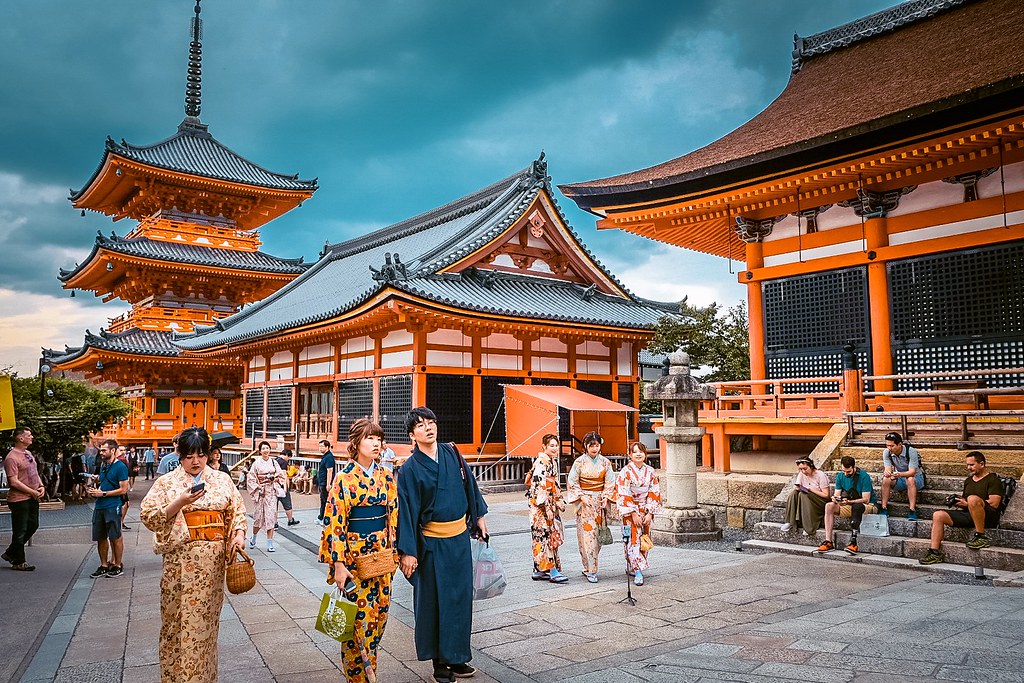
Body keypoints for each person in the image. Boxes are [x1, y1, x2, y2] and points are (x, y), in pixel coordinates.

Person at [140, 426, 247, 683]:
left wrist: (239, 536)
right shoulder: (167, 483)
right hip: (180, 564)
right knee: (175, 624)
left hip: (211, 567)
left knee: (205, 627)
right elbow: (148, 515)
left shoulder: (221, 480)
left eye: (200, 455)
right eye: (189, 456)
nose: (196, 461)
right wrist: (180, 502)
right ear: (180, 454)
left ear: (208, 454)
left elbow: (237, 513)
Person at [397, 406, 488, 683]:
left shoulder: (452, 454)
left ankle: (457, 657)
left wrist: (479, 517)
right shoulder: (410, 469)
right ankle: (440, 662)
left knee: (459, 601)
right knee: (434, 603)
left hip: (458, 539)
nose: (428, 427)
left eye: (432, 422)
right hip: (432, 545)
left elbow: (470, 486)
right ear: (412, 435)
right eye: (421, 424)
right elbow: (408, 512)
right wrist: (408, 552)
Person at [320, 419, 399, 682]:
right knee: (355, 623)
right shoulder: (343, 479)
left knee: (379, 619)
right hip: (354, 560)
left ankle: (372, 670)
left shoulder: (386, 476)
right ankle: (358, 678)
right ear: (355, 444)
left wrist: (396, 553)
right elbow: (334, 522)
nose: (376, 443)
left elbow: (394, 516)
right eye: (370, 438)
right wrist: (339, 564)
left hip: (382, 558)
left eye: (379, 438)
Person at [920, 451, 1005, 565]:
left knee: (973, 499)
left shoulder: (993, 480)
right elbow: (967, 500)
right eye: (967, 465)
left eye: (972, 465)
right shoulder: (968, 481)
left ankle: (981, 536)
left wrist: (970, 502)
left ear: (982, 464)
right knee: (938, 515)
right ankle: (935, 552)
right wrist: (958, 502)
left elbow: (994, 503)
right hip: (969, 514)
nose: (969, 468)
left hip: (987, 516)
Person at [566, 431, 616, 583]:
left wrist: (606, 496)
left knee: (597, 537)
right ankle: (591, 569)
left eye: (597, 445)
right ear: (585, 447)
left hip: (600, 501)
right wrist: (581, 496)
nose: (594, 448)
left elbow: (610, 482)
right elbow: (572, 482)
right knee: (586, 536)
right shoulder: (579, 462)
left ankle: (589, 566)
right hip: (585, 502)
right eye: (591, 445)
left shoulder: (605, 463)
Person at [616, 441, 663, 586]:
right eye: (635, 452)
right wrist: (633, 513)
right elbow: (623, 493)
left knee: (644, 538)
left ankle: (635, 566)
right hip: (630, 511)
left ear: (645, 454)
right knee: (632, 540)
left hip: (645, 508)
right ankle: (637, 570)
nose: (638, 454)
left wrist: (649, 513)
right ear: (630, 455)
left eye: (641, 451)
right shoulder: (625, 472)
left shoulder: (650, 471)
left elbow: (654, 492)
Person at [527, 434, 568, 584]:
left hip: (548, 503)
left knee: (543, 536)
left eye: (556, 445)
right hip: (540, 506)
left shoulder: (551, 462)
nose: (555, 448)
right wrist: (546, 508)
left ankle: (539, 570)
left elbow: (554, 485)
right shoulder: (541, 463)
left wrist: (558, 501)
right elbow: (540, 487)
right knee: (546, 536)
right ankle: (552, 571)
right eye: (551, 445)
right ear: (544, 446)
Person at [3, 427, 44, 571]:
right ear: (21, 438)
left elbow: (34, 471)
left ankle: (10, 552)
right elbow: (13, 482)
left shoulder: (28, 454)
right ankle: (18, 560)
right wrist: (31, 491)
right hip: (19, 499)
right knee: (20, 529)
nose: (31, 437)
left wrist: (41, 486)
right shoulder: (12, 457)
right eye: (29, 435)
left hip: (32, 496)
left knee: (33, 525)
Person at [818, 456, 878, 555]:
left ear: (853, 467)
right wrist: (835, 499)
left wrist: (849, 502)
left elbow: (866, 499)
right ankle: (828, 541)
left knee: (857, 506)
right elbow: (837, 494)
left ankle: (853, 543)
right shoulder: (840, 476)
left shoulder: (864, 476)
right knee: (829, 506)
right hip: (849, 504)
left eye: (848, 472)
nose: (846, 474)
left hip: (868, 505)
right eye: (844, 471)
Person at [87, 439, 130, 577]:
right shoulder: (104, 465)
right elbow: (105, 479)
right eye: (100, 450)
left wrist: (103, 493)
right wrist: (97, 479)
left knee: (115, 536)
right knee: (100, 537)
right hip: (100, 506)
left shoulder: (121, 467)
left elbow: (123, 490)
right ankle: (104, 565)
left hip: (112, 505)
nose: (101, 452)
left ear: (112, 451)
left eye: (104, 450)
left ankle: (117, 564)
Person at [247, 441, 285, 552]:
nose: (265, 450)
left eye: (267, 448)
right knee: (258, 518)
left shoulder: (274, 462)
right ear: (260, 451)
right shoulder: (256, 463)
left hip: (271, 492)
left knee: (271, 516)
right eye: (263, 448)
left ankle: (270, 543)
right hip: (261, 492)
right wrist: (258, 487)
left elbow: (281, 475)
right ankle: (253, 537)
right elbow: (251, 478)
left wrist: (275, 478)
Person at [780, 457, 831, 536]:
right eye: (801, 469)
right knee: (793, 493)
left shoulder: (820, 475)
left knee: (803, 494)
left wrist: (811, 490)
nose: (803, 471)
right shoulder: (801, 474)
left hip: (820, 501)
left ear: (811, 466)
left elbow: (826, 495)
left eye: (805, 468)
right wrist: (798, 488)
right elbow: (797, 487)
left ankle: (808, 527)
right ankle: (790, 521)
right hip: (806, 498)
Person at [880, 432, 925, 520]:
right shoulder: (886, 452)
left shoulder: (911, 451)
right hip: (900, 478)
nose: (889, 448)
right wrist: (888, 473)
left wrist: (899, 474)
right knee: (886, 479)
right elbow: (888, 468)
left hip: (916, 479)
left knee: (910, 479)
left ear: (900, 444)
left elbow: (912, 472)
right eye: (887, 445)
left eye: (892, 446)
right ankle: (884, 507)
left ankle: (912, 510)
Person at [275, 449, 299, 527]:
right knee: (287, 504)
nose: (288, 460)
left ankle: (275, 522)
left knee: (274, 505)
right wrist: (286, 487)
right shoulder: (283, 462)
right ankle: (290, 520)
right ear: (287, 455)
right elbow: (284, 475)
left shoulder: (274, 460)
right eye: (289, 458)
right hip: (281, 486)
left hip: (274, 486)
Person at [318, 439, 337, 525]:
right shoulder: (325, 456)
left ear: (327, 447)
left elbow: (330, 471)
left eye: (322, 446)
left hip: (325, 482)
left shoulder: (329, 457)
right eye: (319, 446)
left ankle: (325, 518)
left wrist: (328, 484)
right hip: (322, 481)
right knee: (323, 500)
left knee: (326, 501)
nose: (320, 448)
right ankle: (321, 517)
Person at [117, 444, 132, 531]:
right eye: (121, 450)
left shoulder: (123, 459)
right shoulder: (121, 460)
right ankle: (119, 523)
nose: (123, 452)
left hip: (123, 484)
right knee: (124, 505)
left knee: (126, 504)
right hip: (120, 485)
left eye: (124, 450)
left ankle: (120, 523)